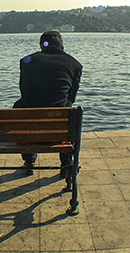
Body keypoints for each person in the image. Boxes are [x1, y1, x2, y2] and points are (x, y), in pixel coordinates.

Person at [14, 30, 82, 176]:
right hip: (60, 127)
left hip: (31, 124)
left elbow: (24, 91)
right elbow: (71, 98)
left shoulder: (27, 61)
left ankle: (29, 160)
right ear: (62, 47)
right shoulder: (75, 65)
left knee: (22, 106)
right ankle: (66, 164)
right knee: (69, 112)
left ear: (41, 46)